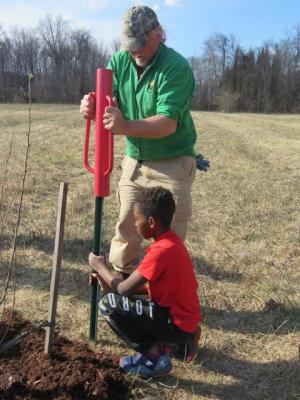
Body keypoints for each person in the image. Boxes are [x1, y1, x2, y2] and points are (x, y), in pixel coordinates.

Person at [81, 5, 198, 276]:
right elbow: (103, 101)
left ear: (158, 34)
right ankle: (123, 287)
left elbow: (168, 123)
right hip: (135, 160)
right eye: (129, 45)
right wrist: (90, 107)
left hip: (172, 162)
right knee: (126, 228)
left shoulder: (176, 67)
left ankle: (163, 298)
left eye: (140, 44)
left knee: (168, 238)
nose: (135, 52)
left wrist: (124, 126)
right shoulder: (121, 61)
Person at [89, 187, 202, 378]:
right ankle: (182, 344)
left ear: (151, 222)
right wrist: (107, 282)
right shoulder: (171, 243)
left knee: (107, 304)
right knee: (115, 298)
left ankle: (155, 358)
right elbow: (144, 288)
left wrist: (100, 268)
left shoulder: (161, 251)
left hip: (174, 323)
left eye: (137, 219)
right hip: (181, 321)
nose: (134, 225)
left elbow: (124, 289)